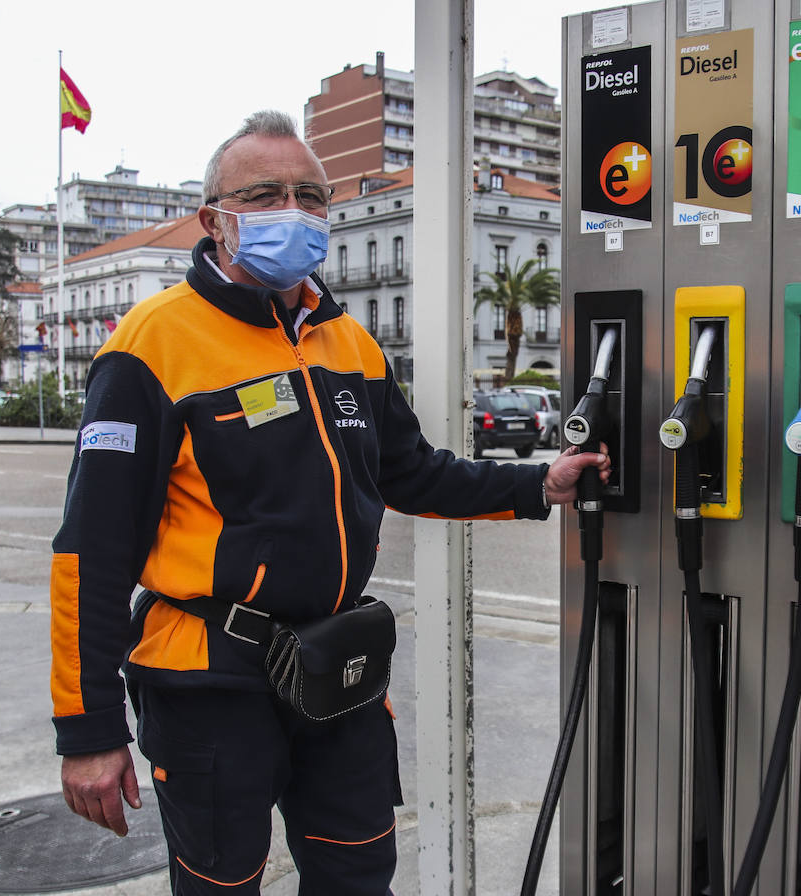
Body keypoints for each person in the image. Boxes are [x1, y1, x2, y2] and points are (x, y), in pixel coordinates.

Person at [50, 109, 608, 895]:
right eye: (267, 193)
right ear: (215, 221)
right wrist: (88, 730)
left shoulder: (348, 342)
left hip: (336, 669)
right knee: (222, 884)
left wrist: (536, 484)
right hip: (209, 680)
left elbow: (412, 471)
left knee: (358, 876)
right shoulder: (150, 348)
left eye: (311, 196)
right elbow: (91, 551)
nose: (295, 211)